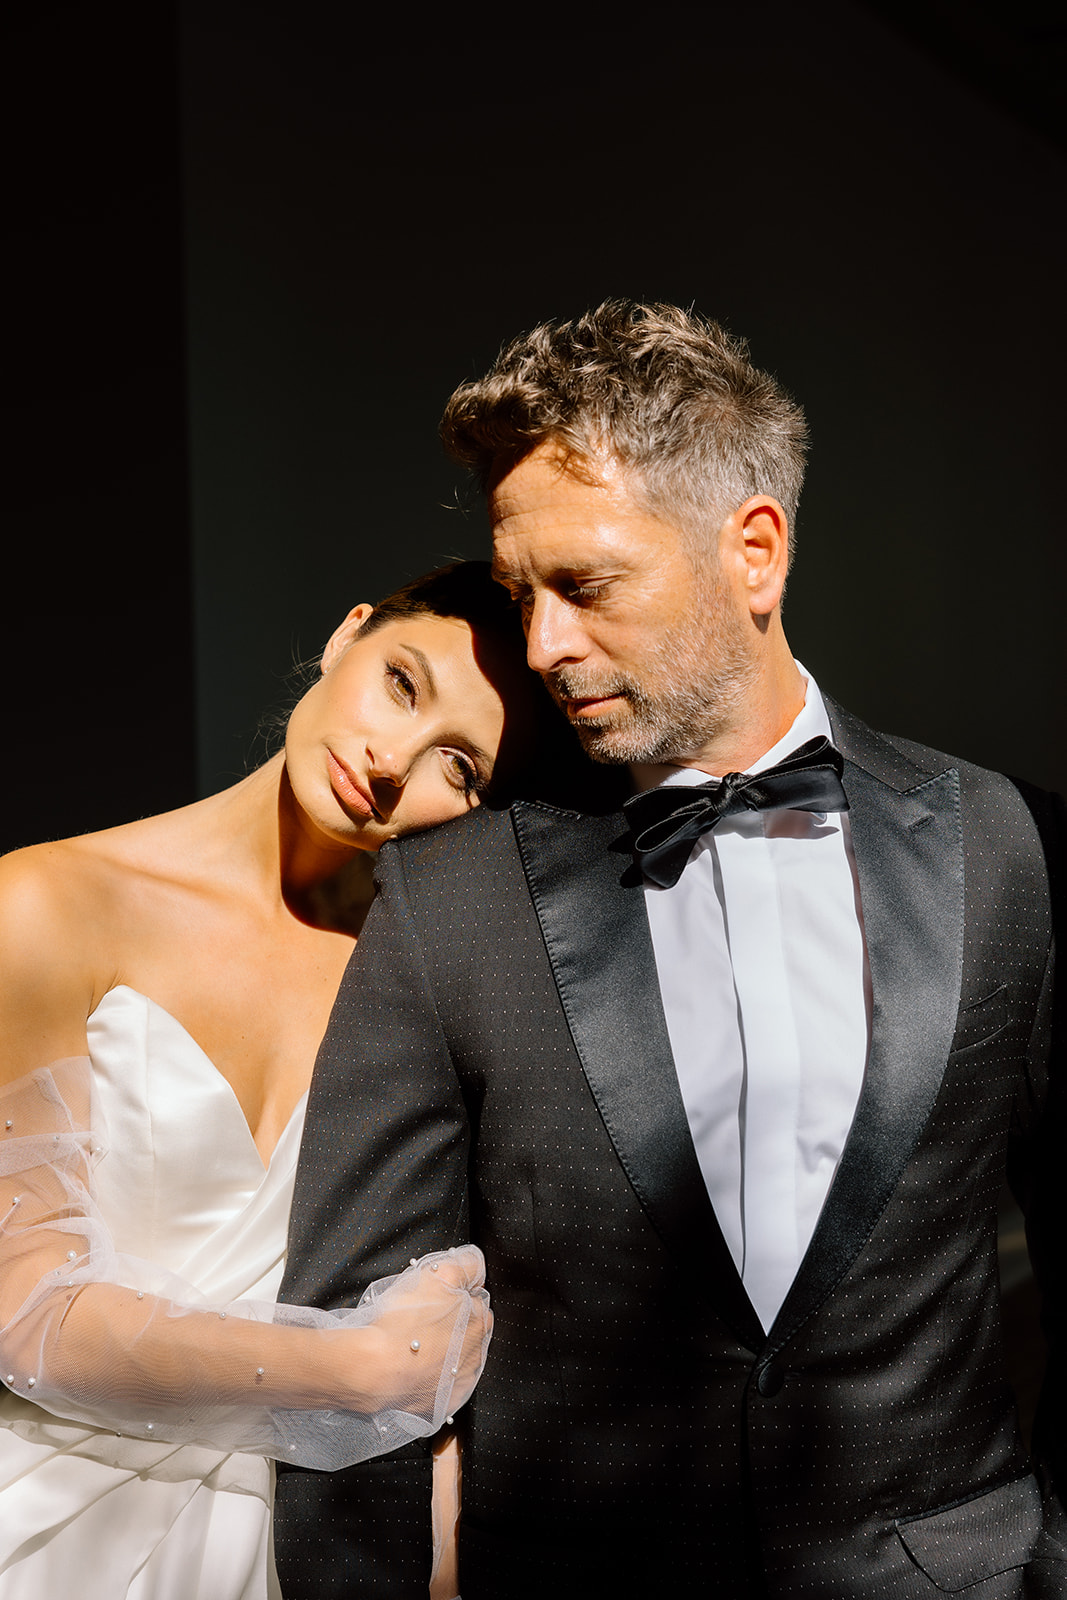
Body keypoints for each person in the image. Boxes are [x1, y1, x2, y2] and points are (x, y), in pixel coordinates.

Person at [275, 302, 1066, 1599]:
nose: (541, 645)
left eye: (584, 587)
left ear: (753, 553)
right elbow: (346, 1370)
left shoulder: (1009, 846)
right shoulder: (450, 901)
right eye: (521, 595)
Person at [0, 560, 564, 1600]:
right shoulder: (47, 904)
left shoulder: (416, 986)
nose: (392, 759)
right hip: (46, 1528)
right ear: (348, 634)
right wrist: (355, 1371)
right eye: (401, 683)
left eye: (459, 767)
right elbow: (25, 1313)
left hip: (298, 1544)